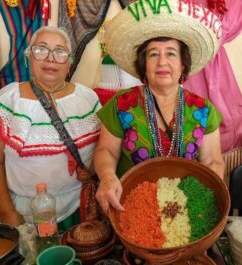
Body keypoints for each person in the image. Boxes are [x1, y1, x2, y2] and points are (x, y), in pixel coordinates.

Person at [94, 0, 225, 213]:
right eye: (153, 54)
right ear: (143, 64)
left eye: (171, 53)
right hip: (130, 208)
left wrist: (202, 200)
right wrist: (108, 178)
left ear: (183, 64)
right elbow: (106, 150)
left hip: (186, 209)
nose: (162, 62)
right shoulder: (121, 104)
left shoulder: (203, 109)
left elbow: (212, 162)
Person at [0, 26, 101, 228]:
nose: (50, 58)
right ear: (30, 58)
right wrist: (7, 211)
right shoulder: (10, 100)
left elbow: (104, 148)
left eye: (60, 52)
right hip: (26, 215)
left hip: (80, 208)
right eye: (41, 49)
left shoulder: (87, 98)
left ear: (69, 62)